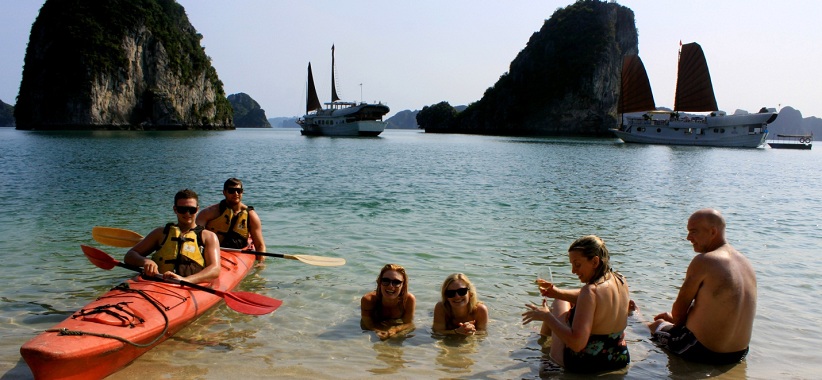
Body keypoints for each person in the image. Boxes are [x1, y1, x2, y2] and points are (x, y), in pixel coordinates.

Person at [647, 208, 756, 365]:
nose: (688, 238)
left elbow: (678, 312)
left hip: (704, 352)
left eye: (693, 231)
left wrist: (674, 322)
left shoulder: (704, 261)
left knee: (653, 325)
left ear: (713, 231)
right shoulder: (746, 263)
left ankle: (635, 317)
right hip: (738, 353)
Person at [522, 235, 630, 373]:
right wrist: (557, 292)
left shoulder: (589, 291)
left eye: (577, 264)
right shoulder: (620, 279)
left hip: (586, 364)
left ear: (595, 261)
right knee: (560, 299)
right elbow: (595, 299)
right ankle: (542, 338)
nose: (573, 271)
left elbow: (577, 344)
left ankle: (544, 353)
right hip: (619, 358)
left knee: (556, 309)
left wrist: (547, 317)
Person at [125, 189, 221, 284]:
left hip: (189, 285)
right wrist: (145, 261)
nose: (187, 213)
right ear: (175, 209)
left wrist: (186, 280)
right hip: (159, 283)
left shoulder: (208, 236)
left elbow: (215, 269)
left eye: (192, 210)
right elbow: (130, 255)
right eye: (182, 210)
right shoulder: (160, 233)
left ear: (197, 209)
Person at [196, 178, 266, 262]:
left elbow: (260, 246)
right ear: (224, 193)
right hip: (215, 250)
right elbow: (195, 235)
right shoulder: (208, 213)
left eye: (238, 191)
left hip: (238, 253)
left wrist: (260, 264)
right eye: (231, 191)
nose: (235, 193)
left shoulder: (251, 216)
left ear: (242, 192)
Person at [361, 264, 416, 340]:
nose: (390, 286)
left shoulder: (408, 300)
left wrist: (395, 329)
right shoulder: (368, 299)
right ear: (379, 282)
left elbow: (409, 323)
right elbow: (366, 323)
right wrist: (377, 331)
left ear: (403, 285)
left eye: (396, 282)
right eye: (385, 280)